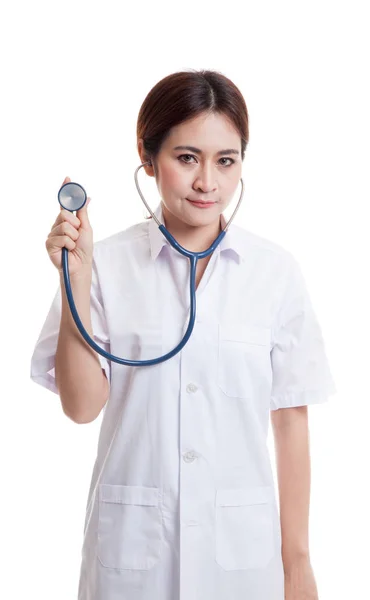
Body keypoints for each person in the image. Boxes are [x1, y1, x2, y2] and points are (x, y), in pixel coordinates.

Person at [30, 69, 337, 600]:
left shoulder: (275, 272)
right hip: (132, 561)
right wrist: (76, 280)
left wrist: (298, 563)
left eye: (226, 160)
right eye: (187, 157)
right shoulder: (103, 265)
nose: (207, 183)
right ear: (148, 159)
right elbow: (81, 408)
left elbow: (290, 421)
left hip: (241, 563)